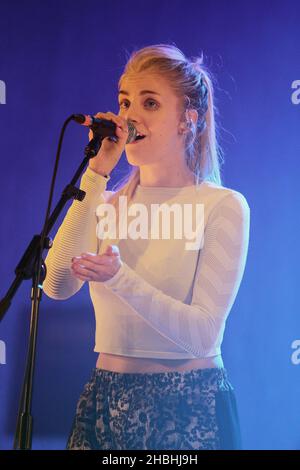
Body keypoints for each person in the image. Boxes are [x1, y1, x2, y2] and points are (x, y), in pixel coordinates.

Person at [43, 43, 250, 450]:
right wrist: (97, 172)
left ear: (187, 119)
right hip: (104, 398)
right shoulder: (104, 203)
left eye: (150, 102)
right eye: (124, 101)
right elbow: (56, 286)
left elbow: (203, 336)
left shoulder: (222, 206)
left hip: (187, 404)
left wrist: (120, 278)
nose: (129, 115)